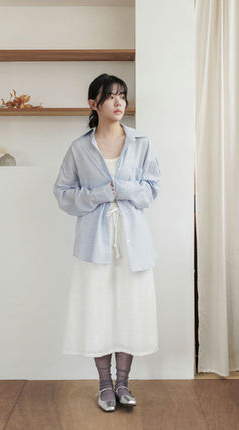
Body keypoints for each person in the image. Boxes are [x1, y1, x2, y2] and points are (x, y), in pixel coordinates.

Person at [53, 73, 161, 412]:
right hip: (94, 245)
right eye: (111, 96)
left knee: (130, 311)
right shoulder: (79, 148)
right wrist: (98, 194)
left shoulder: (141, 142)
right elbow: (63, 193)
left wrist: (123, 189)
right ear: (93, 104)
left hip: (133, 245)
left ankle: (123, 384)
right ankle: (104, 386)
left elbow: (152, 190)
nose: (119, 102)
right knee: (97, 311)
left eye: (122, 96)